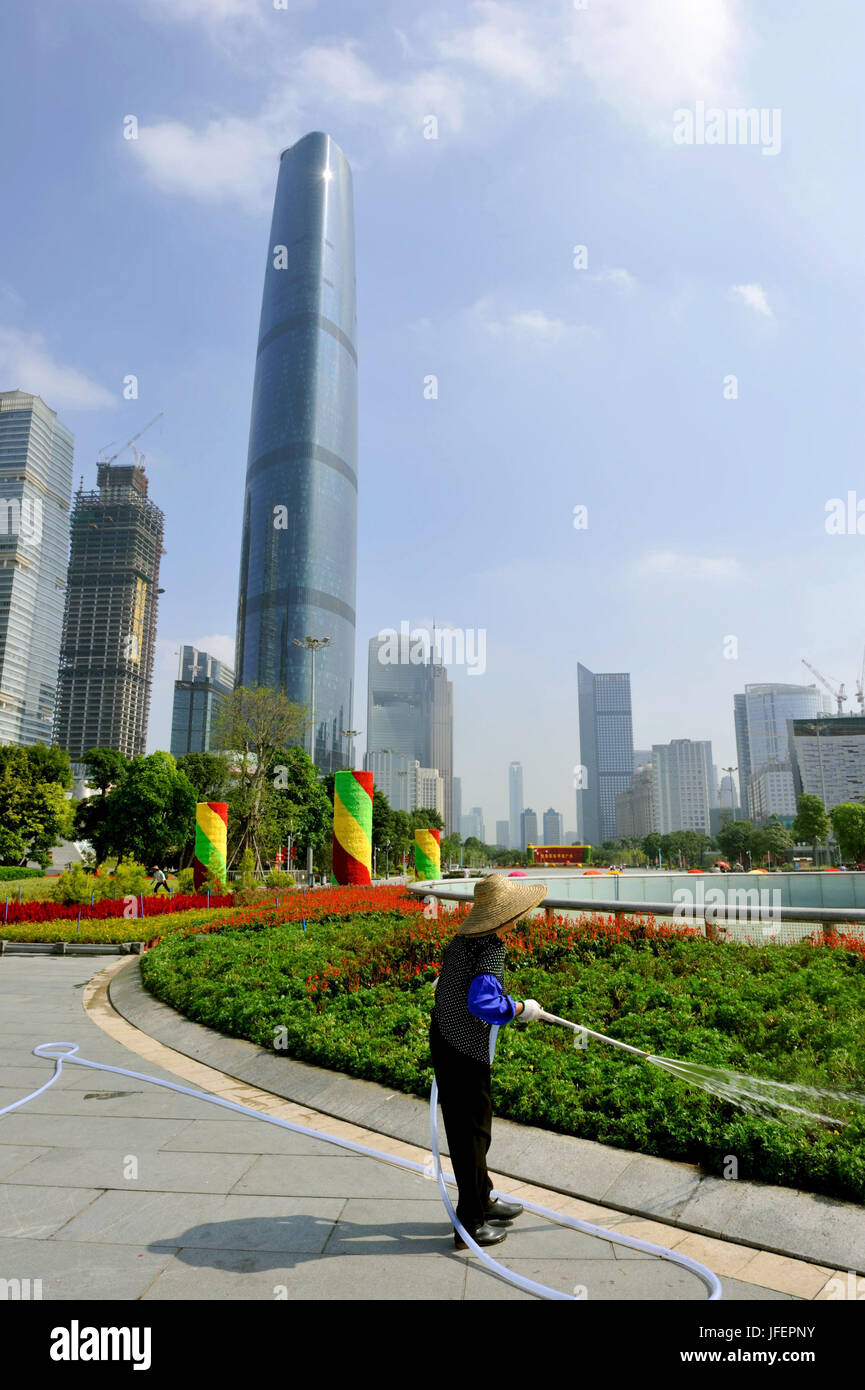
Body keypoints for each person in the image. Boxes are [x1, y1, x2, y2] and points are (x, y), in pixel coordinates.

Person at [429, 871, 547, 1251]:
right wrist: (518, 1008)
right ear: (505, 916)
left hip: (446, 1039)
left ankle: (484, 1199)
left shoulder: (461, 941)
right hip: (464, 1052)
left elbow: (449, 986)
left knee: (470, 1129)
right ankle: (470, 1224)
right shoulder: (492, 949)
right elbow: (482, 1003)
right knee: (472, 1135)